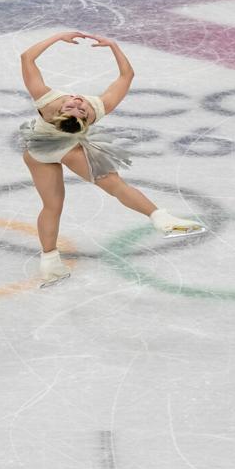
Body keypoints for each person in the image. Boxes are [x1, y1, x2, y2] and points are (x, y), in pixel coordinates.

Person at [18, 31, 206, 287]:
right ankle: (162, 219)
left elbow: (27, 58)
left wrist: (57, 37)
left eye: (76, 106)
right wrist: (114, 47)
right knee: (114, 187)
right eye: (78, 106)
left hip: (40, 151)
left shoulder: (47, 101)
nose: (77, 101)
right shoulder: (96, 108)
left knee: (54, 206)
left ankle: (50, 263)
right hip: (53, 149)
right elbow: (126, 76)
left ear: (63, 113)